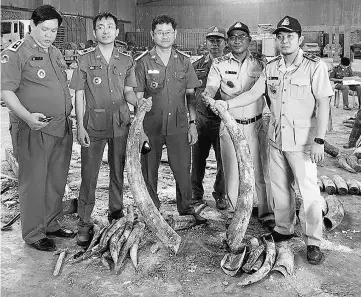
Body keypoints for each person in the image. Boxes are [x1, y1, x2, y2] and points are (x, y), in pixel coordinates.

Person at [215, 16, 334, 265]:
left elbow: (324, 103)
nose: (284, 41)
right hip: (276, 139)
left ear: (300, 39)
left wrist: (320, 140)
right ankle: (283, 228)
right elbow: (254, 93)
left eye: (289, 36)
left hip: (303, 142)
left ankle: (313, 241)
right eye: (280, 37)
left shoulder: (315, 67)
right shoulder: (271, 67)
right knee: (280, 189)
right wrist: (227, 103)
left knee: (309, 192)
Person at [70, 12, 151, 246]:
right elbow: (79, 94)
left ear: (117, 32)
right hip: (93, 125)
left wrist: (138, 102)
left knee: (118, 170)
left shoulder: (126, 60)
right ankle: (84, 223)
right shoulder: (84, 60)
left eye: (110, 27)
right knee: (89, 175)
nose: (105, 30)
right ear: (94, 33)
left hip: (120, 124)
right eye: (100, 27)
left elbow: (128, 91)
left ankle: (115, 212)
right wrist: (80, 126)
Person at [1, 5, 74, 252]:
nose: (49, 35)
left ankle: (51, 223)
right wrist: (27, 117)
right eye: (44, 29)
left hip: (60, 127)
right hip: (33, 128)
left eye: (54, 30)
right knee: (34, 180)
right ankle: (33, 233)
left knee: (56, 179)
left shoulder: (54, 53)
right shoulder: (16, 53)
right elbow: (7, 92)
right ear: (32, 26)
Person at [135, 15, 206, 223]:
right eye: (159, 32)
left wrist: (193, 124)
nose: (164, 36)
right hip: (151, 125)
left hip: (179, 125)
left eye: (168, 32)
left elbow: (191, 96)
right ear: (152, 34)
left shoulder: (184, 62)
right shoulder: (142, 63)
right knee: (149, 169)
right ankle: (152, 211)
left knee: (183, 168)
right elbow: (138, 98)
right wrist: (140, 130)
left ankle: (186, 207)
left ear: (175, 34)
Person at [202, 21, 274, 228]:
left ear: (249, 40)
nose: (237, 41)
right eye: (233, 37)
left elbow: (268, 93)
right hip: (230, 127)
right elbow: (211, 87)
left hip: (256, 125)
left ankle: (265, 211)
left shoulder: (261, 64)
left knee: (260, 170)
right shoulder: (220, 64)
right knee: (232, 172)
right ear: (228, 42)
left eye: (241, 37)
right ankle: (236, 212)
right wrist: (208, 96)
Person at [191, 26, 227, 210]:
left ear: (225, 43)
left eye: (218, 40)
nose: (215, 44)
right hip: (200, 120)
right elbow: (189, 94)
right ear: (206, 43)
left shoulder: (230, 66)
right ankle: (195, 195)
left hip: (222, 122)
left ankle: (220, 194)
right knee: (197, 160)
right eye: (211, 40)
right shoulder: (196, 66)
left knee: (223, 161)